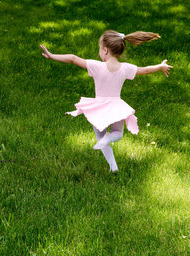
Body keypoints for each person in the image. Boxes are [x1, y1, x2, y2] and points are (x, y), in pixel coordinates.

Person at [40, 30, 173, 172]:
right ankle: (111, 156)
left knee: (101, 138)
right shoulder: (125, 68)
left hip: (99, 109)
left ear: (105, 50)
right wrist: (160, 66)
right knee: (118, 134)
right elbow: (145, 70)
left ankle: (112, 164)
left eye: (99, 49)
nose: (99, 53)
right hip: (116, 107)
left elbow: (73, 58)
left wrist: (52, 56)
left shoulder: (97, 66)